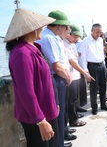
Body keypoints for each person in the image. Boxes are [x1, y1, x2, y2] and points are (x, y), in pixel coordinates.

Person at [5, 8, 58, 147]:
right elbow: (26, 91)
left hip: (46, 110)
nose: (42, 28)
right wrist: (40, 121)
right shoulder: (22, 54)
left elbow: (46, 81)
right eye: (39, 26)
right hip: (36, 117)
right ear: (31, 29)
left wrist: (53, 103)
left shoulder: (33, 48)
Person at [36, 10, 73, 147]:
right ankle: (59, 144)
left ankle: (60, 142)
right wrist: (67, 76)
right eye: (65, 27)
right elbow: (56, 66)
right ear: (59, 26)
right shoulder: (49, 39)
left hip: (55, 77)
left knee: (58, 115)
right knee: (58, 115)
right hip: (56, 79)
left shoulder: (48, 36)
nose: (66, 30)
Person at [63, 24, 94, 127]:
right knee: (71, 99)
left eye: (77, 37)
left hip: (76, 75)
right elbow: (72, 62)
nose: (76, 39)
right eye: (75, 36)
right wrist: (85, 73)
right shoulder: (64, 44)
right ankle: (73, 120)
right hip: (70, 76)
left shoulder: (72, 44)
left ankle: (74, 115)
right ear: (69, 34)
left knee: (75, 97)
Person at [78, 23, 107, 115]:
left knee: (103, 86)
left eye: (100, 32)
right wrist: (86, 71)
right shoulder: (85, 41)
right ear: (91, 31)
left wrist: (104, 66)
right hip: (92, 66)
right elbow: (83, 57)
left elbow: (101, 54)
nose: (99, 34)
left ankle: (103, 105)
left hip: (101, 65)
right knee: (93, 88)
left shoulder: (100, 40)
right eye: (97, 32)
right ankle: (94, 107)